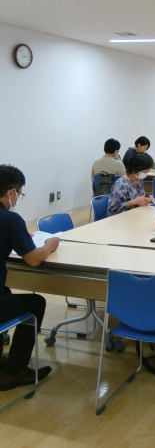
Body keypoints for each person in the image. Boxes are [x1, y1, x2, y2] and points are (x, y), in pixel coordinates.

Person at [0, 165, 58, 391]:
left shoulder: (10, 223)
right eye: (19, 194)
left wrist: (18, 236)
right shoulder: (10, 219)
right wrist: (50, 245)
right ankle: (14, 371)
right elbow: (34, 260)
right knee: (36, 303)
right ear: (11, 192)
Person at [107, 152, 155, 216]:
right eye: (144, 171)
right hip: (121, 218)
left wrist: (147, 199)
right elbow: (112, 209)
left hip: (136, 214)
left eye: (148, 171)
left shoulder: (138, 180)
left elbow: (139, 198)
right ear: (135, 169)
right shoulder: (121, 184)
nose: (146, 173)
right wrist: (133, 202)